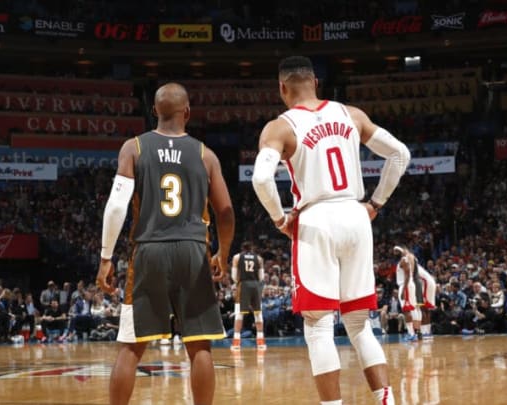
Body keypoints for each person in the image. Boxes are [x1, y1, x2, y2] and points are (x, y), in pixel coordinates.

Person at [252, 56, 409, 405]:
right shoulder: (352, 115)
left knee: (319, 326)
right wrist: (376, 203)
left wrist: (280, 220)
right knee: (359, 324)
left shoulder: (280, 127)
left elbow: (261, 178)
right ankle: (387, 400)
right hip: (355, 215)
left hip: (316, 218)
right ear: (316, 82)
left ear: (282, 87)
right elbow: (400, 154)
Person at [96, 82, 235, 405]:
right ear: (187, 112)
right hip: (193, 250)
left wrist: (105, 257)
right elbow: (225, 210)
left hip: (148, 249)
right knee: (199, 345)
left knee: (131, 347)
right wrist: (223, 254)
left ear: (154, 111)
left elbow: (116, 206)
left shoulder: (134, 148)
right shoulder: (206, 154)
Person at [230, 241, 266, 351]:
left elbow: (234, 276)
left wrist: (239, 282)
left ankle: (236, 342)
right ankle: (260, 342)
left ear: (242, 248)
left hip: (243, 285)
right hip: (255, 285)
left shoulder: (237, 257)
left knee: (239, 314)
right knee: (258, 314)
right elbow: (261, 277)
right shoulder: (259, 258)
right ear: (252, 248)